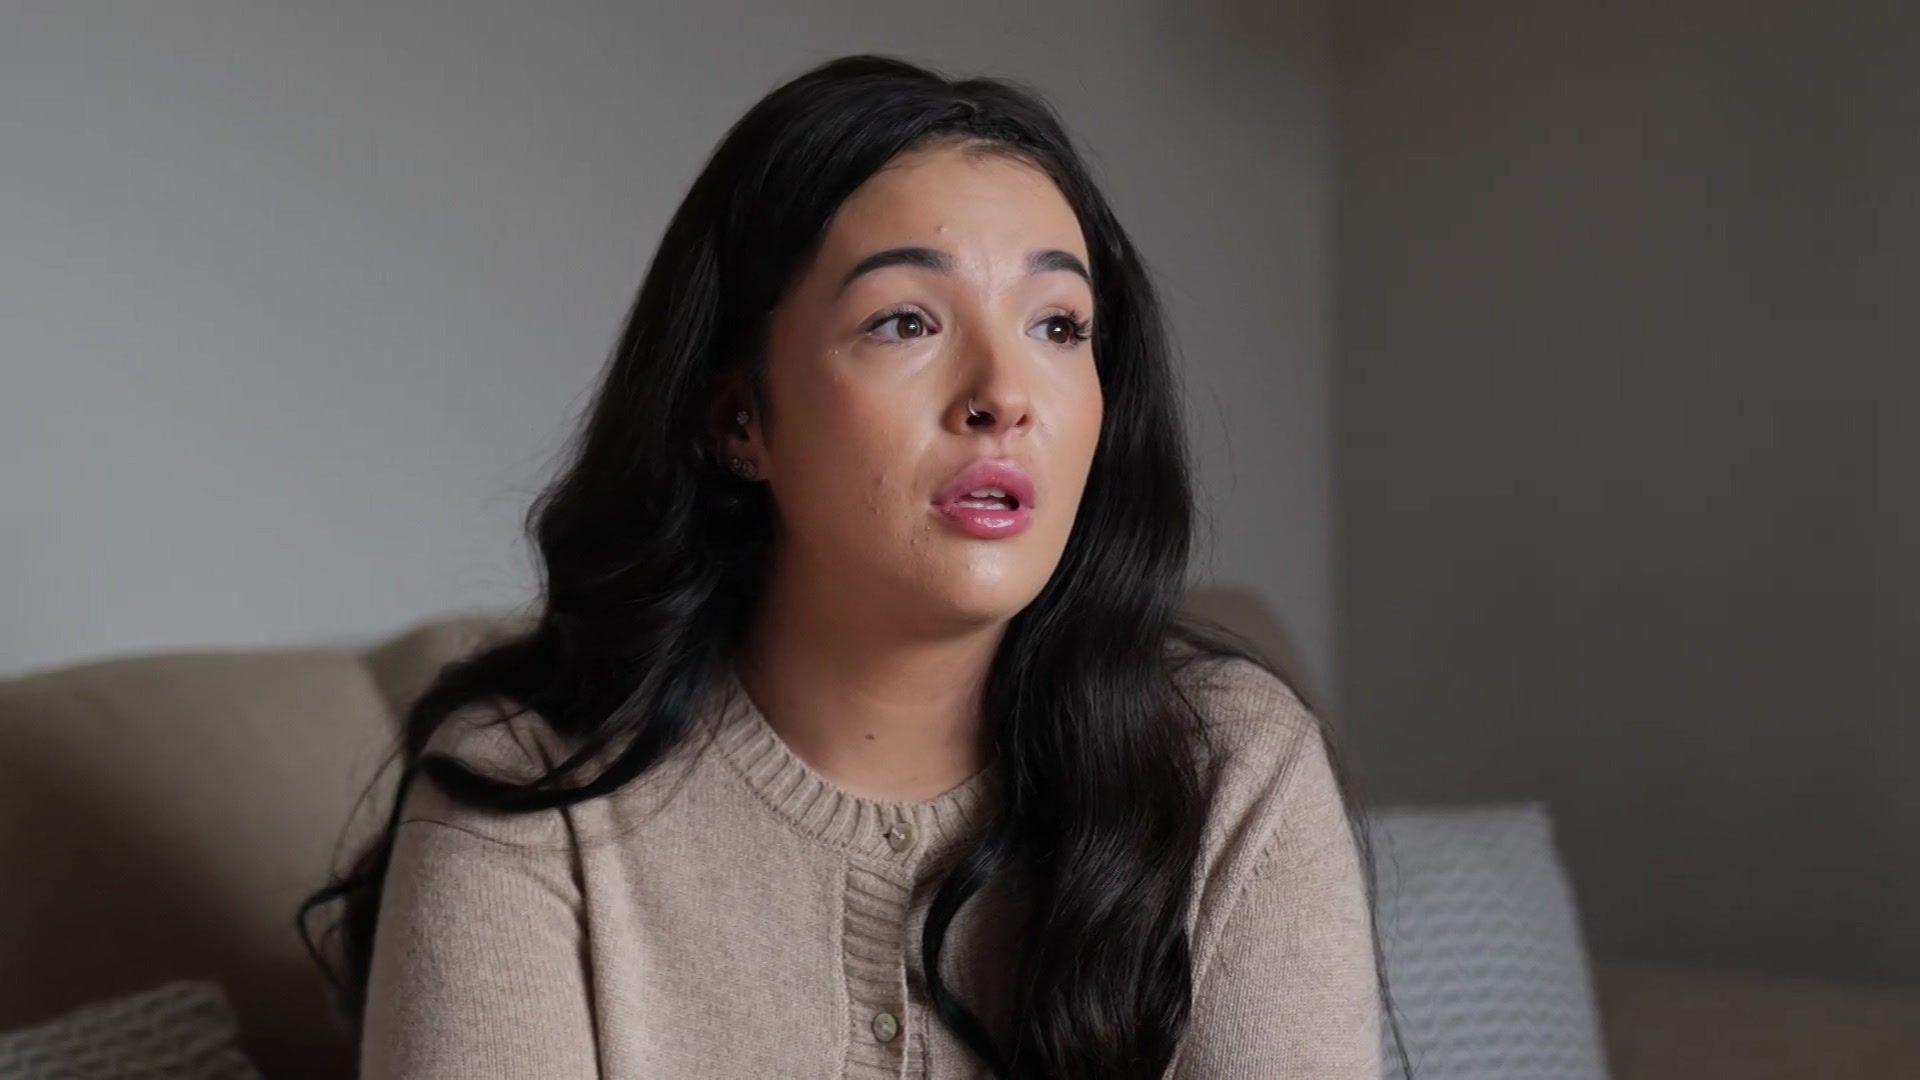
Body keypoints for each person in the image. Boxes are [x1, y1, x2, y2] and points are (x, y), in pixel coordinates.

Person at [299, 52, 1405, 1079]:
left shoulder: (1229, 768)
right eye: (906, 321)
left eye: (1059, 326)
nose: (1005, 393)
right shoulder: (528, 798)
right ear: (738, 419)